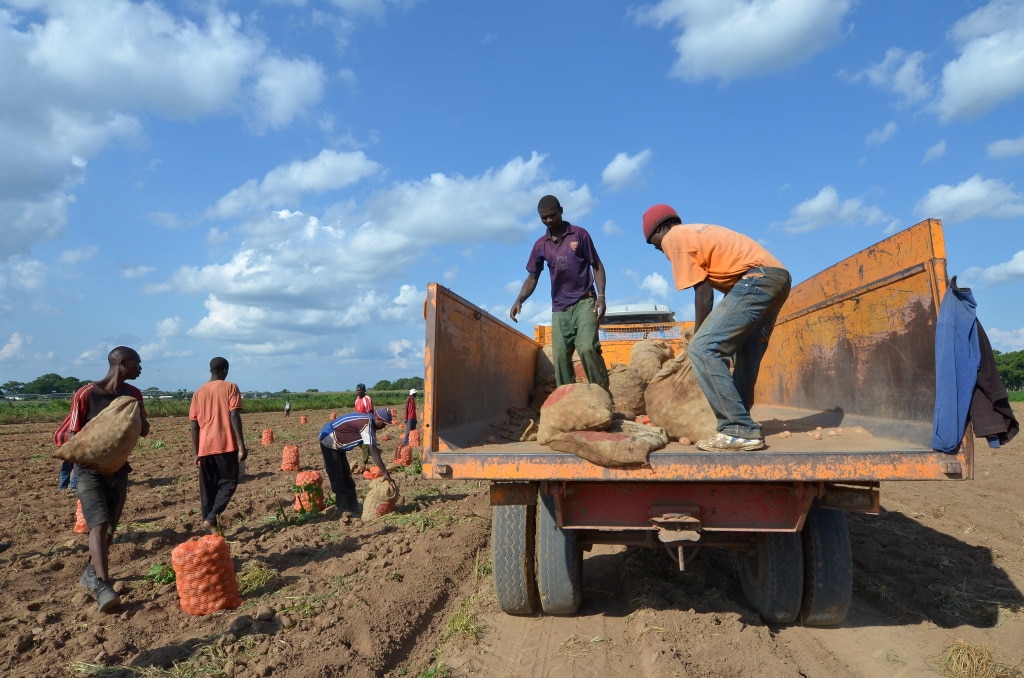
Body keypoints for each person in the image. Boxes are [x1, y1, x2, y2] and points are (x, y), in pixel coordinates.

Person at [642, 204, 791, 452]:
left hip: (757, 280)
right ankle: (743, 424)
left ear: (660, 229)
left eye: (653, 242)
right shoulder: (695, 232)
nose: (658, 248)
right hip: (777, 278)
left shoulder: (674, 238)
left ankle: (738, 429)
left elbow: (703, 293)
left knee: (702, 349)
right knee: (745, 352)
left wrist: (699, 334)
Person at [59, 346, 150, 612]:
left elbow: (143, 431)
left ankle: (90, 572)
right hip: (88, 471)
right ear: (122, 363)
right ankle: (103, 584)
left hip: (118, 470)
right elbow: (73, 434)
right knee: (97, 524)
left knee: (109, 528)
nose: (140, 368)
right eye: (137, 363)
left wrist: (137, 413)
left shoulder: (133, 394)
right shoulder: (86, 394)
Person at [510, 195, 610, 390]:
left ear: (561, 211)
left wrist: (602, 296)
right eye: (544, 217)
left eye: (552, 215)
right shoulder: (541, 245)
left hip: (585, 301)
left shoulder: (579, 235)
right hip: (560, 308)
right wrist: (519, 299)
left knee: (587, 347)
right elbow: (532, 277)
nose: (548, 220)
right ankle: (567, 399)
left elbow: (596, 265)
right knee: (560, 356)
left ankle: (602, 394)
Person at [189, 357, 249, 536]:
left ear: (211, 370)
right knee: (230, 482)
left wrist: (197, 452)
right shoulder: (230, 387)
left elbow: (194, 425)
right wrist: (241, 444)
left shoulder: (198, 392)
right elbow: (234, 416)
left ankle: (210, 531)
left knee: (207, 488)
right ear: (225, 370)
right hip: (225, 445)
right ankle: (212, 516)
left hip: (205, 447)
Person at [318, 407, 396, 524]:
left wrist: (374, 450)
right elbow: (373, 451)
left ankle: (353, 506)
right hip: (329, 441)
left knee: (346, 475)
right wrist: (385, 473)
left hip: (338, 445)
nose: (384, 426)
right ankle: (344, 510)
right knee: (338, 477)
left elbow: (366, 444)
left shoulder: (368, 423)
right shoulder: (367, 424)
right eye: (383, 423)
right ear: (376, 418)